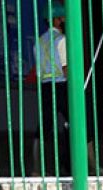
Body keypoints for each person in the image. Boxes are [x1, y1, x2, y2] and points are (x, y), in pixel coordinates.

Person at [30, 2, 70, 176]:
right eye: (63, 17)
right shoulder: (62, 40)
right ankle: (93, 166)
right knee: (81, 125)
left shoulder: (38, 42)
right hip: (61, 85)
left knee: (43, 128)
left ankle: (36, 169)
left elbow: (39, 70)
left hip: (45, 87)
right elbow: (66, 68)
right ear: (57, 20)